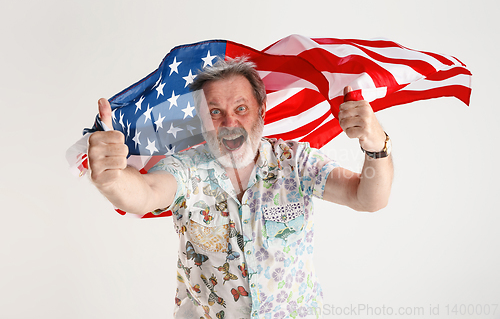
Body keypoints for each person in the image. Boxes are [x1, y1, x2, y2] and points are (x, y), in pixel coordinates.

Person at [88, 58, 393, 318]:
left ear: (262, 109)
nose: (229, 123)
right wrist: (112, 176)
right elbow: (145, 193)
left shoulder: (296, 162)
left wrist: (377, 145)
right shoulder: (187, 169)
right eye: (215, 112)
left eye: (241, 108)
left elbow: (366, 198)